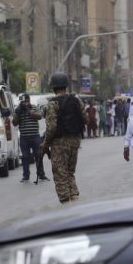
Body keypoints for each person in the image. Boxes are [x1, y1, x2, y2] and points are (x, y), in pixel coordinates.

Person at [40, 72, 85, 203]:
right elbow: (85, 119)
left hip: (59, 143)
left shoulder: (52, 104)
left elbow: (51, 127)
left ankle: (66, 205)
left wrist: (46, 143)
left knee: (60, 174)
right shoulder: (77, 101)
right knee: (70, 172)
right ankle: (75, 198)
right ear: (66, 85)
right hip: (75, 141)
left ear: (53, 87)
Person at [13, 93, 48, 183]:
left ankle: (41, 174)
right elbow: (14, 123)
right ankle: (26, 176)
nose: (25, 102)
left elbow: (39, 116)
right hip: (24, 137)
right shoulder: (18, 110)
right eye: (23, 101)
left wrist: (28, 109)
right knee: (25, 157)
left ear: (29, 100)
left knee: (38, 155)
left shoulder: (34, 107)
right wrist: (18, 112)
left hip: (35, 136)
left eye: (26, 100)